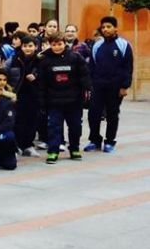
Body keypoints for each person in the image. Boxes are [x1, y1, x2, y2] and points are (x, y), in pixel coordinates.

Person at [39, 33, 90, 164]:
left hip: (74, 100)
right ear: (50, 45)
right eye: (54, 44)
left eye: (59, 44)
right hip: (53, 101)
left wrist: (87, 90)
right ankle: (53, 151)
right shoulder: (45, 60)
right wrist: (42, 100)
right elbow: (42, 83)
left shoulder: (76, 57)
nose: (57, 47)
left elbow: (84, 76)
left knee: (75, 126)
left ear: (64, 43)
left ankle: (74, 149)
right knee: (54, 127)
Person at [85, 16, 133, 153]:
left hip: (116, 87)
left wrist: (125, 86)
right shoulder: (97, 45)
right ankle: (94, 140)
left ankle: (110, 141)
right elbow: (91, 66)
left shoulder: (123, 45)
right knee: (93, 114)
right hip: (98, 86)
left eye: (108, 27)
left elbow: (128, 67)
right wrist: (89, 84)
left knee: (112, 114)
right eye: (103, 27)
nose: (105, 29)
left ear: (115, 28)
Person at [10, 34, 41, 157]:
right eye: (25, 46)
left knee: (32, 120)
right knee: (18, 120)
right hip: (18, 94)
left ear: (36, 47)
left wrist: (36, 76)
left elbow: (45, 74)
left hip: (34, 94)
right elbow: (6, 73)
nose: (27, 48)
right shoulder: (15, 59)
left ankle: (28, 145)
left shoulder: (40, 60)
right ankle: (17, 145)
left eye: (30, 46)